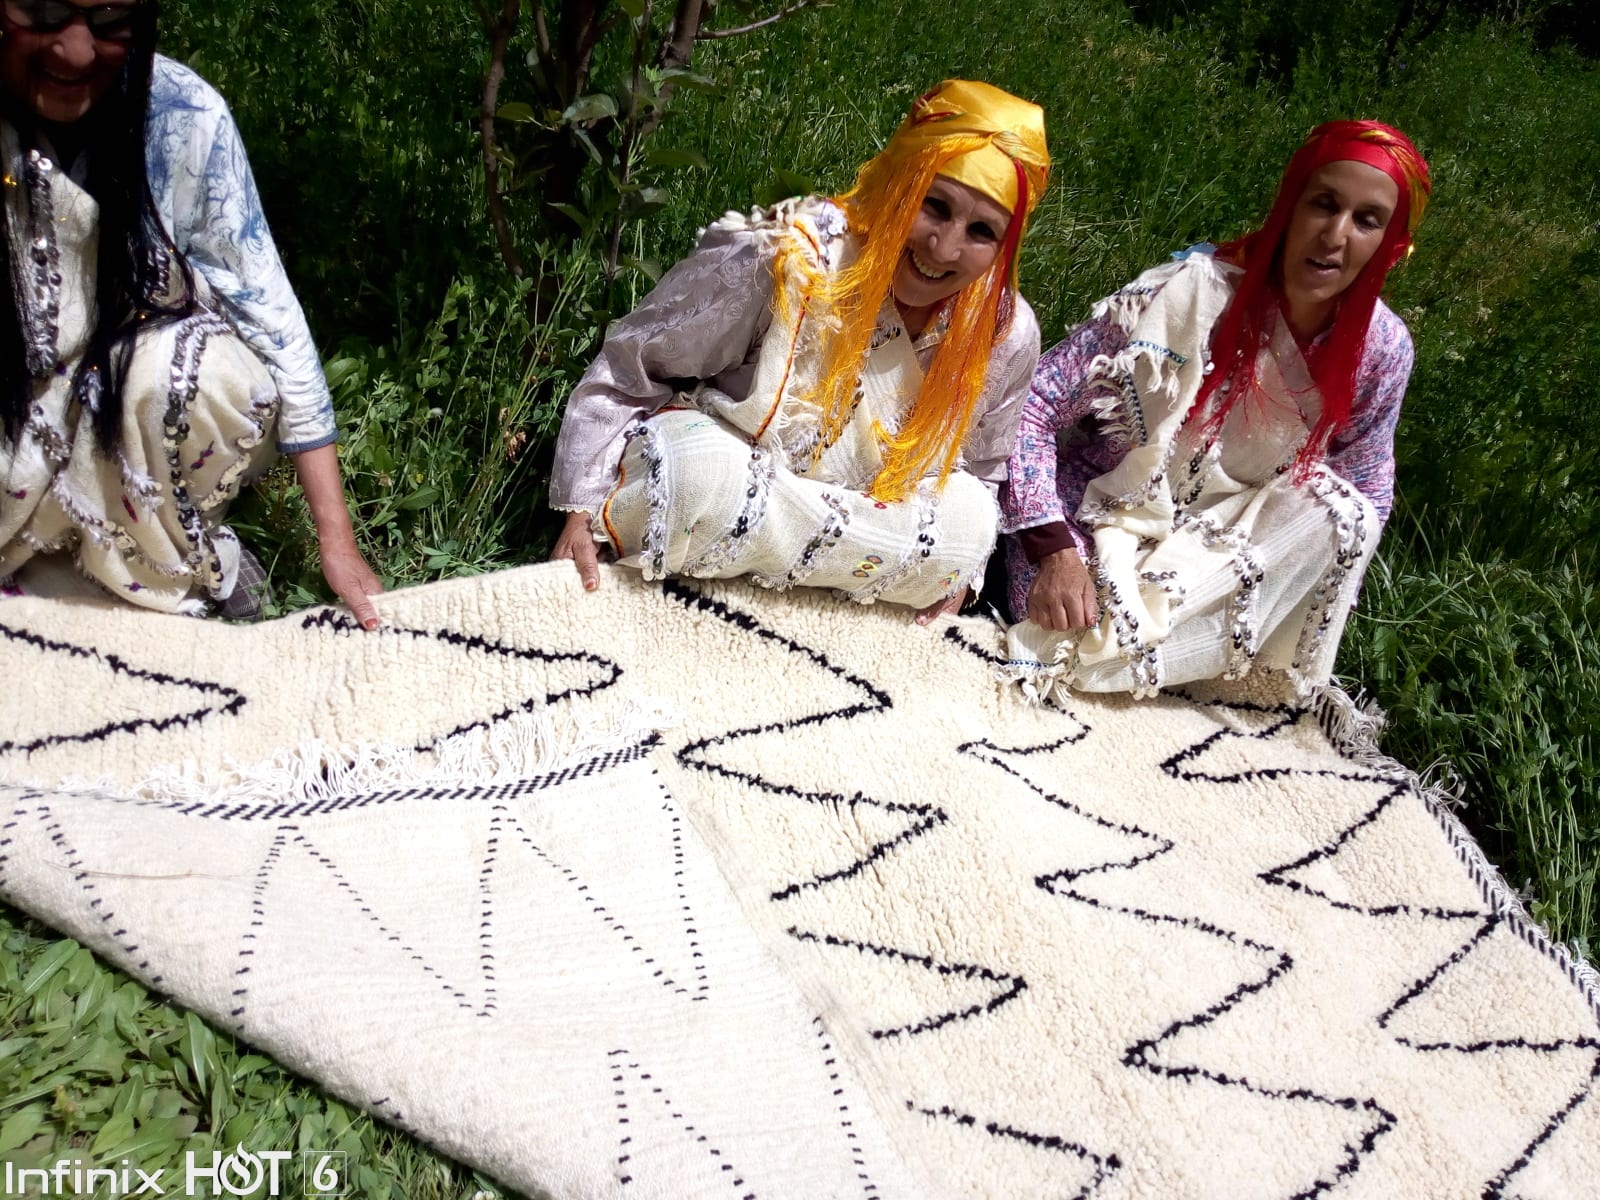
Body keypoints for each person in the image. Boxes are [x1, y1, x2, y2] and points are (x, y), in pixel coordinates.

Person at [549, 80, 1049, 622]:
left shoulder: (1003, 330)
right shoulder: (789, 256)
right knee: (696, 473)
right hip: (750, 475)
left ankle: (785, 571)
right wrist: (580, 508)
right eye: (935, 205)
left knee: (972, 520)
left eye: (981, 231)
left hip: (868, 509)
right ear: (899, 182)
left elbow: (981, 466)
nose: (945, 248)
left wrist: (960, 567)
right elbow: (634, 365)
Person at [1001, 120, 1431, 697]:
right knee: (1066, 634)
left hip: (1220, 547)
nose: (1335, 235)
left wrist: (1302, 599)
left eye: (1366, 220)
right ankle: (1175, 657)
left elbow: (1365, 489)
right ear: (1290, 207)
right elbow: (1035, 403)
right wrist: (1052, 549)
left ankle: (1187, 651)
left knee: (1344, 513)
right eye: (1323, 205)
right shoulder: (1188, 294)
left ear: (1390, 244)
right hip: (1101, 518)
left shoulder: (1381, 349)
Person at [0, 0, 382, 625]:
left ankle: (158, 562)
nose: (76, 51)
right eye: (43, 12)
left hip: (119, 396)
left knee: (197, 375)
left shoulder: (181, 113)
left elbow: (271, 313)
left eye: (107, 21)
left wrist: (335, 540)